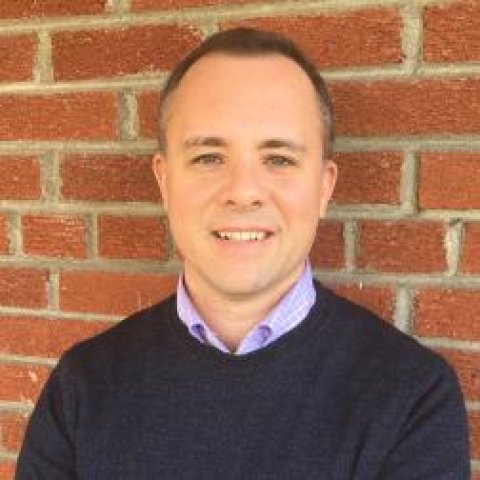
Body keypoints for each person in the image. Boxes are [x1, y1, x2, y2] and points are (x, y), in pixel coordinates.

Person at [16, 28, 469, 479]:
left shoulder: (410, 397)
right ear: (165, 181)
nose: (243, 191)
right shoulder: (82, 387)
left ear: (324, 187)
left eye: (279, 159)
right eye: (209, 157)